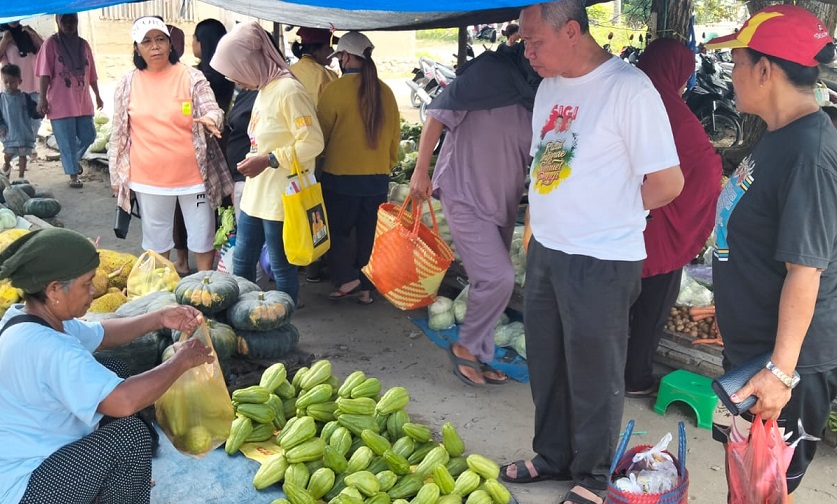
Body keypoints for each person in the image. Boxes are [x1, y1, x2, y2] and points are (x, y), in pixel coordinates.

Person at [501, 2, 683, 503]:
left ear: (573, 31)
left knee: (594, 372)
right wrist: (536, 234)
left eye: (535, 41)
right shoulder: (549, 88)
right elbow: (548, 167)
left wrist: (613, 213)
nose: (527, 51)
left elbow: (668, 182)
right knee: (548, 362)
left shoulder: (628, 89)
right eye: (525, 41)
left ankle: (595, 476)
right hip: (549, 250)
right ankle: (552, 456)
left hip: (602, 258)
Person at [705, 5, 837, 499]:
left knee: (763, 489)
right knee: (744, 481)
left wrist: (781, 373)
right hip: (757, 353)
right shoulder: (782, 137)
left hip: (785, 367)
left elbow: (806, 271)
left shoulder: (808, 153)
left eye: (736, 62)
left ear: (766, 69)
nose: (730, 73)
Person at [0, 228, 213, 504]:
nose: (92, 291)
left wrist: (160, 317)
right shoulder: (51, 349)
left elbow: (102, 334)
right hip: (24, 489)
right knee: (131, 439)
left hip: (32, 454)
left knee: (112, 366)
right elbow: (123, 402)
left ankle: (113, 482)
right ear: (54, 289)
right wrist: (180, 361)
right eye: (86, 283)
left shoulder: (25, 317)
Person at [409, 42, 541, 386]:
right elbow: (438, 113)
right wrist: (421, 170)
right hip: (463, 190)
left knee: (489, 280)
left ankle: (481, 352)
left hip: (502, 200)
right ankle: (466, 347)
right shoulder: (490, 73)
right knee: (499, 278)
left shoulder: (539, 89)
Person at [624, 38, 723, 397]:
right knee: (651, 309)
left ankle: (599, 373)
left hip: (615, 223)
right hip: (658, 228)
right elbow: (708, 168)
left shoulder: (623, 96)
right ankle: (634, 379)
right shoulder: (671, 110)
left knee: (613, 305)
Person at [210, 21, 324, 306]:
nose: (236, 82)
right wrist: (258, 157)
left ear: (252, 62)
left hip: (281, 197)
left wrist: (270, 159)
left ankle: (282, 318)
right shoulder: (264, 89)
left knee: (280, 264)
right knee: (243, 257)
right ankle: (245, 311)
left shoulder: (289, 91)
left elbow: (313, 142)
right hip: (256, 193)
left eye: (237, 73)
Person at [109, 16, 232, 272]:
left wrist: (211, 118)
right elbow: (119, 134)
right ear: (136, 48)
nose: (155, 47)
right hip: (148, 180)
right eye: (147, 41)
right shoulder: (127, 83)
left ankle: (204, 288)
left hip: (194, 178)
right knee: (156, 243)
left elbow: (211, 108)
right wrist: (117, 176)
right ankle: (161, 295)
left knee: (203, 237)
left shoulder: (191, 76)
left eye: (160, 40)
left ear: (170, 44)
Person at [317, 31, 400, 306]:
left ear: (346, 57)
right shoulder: (385, 91)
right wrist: (385, 166)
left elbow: (321, 137)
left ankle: (345, 278)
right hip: (377, 178)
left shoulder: (334, 90)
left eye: (340, 55)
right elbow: (394, 139)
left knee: (338, 232)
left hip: (340, 177)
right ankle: (366, 289)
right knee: (368, 236)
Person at [170, 17, 233, 276]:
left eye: (194, 39)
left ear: (201, 43)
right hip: (223, 143)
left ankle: (183, 261)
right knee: (216, 206)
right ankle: (217, 259)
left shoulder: (196, 79)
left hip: (194, 147)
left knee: (181, 207)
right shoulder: (229, 75)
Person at [35, 13, 103, 189]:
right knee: (67, 141)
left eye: (72, 20)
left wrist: (97, 94)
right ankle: (73, 175)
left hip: (82, 102)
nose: (69, 24)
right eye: (65, 20)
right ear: (58, 21)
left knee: (89, 135)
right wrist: (42, 98)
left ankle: (72, 160)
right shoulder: (51, 44)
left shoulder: (83, 45)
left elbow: (92, 74)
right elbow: (44, 73)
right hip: (60, 102)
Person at [0, 21, 44, 151]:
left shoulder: (26, 32)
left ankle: (29, 146)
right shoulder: (3, 34)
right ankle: (14, 151)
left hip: (34, 84)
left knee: (36, 118)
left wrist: (33, 34)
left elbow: (44, 50)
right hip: (13, 89)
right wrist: (5, 40)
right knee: (13, 121)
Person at [0, 64, 37, 178]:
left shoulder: (25, 97)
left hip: (23, 132)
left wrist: (41, 110)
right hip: (9, 133)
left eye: (12, 82)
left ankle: (21, 177)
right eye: (6, 82)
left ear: (19, 81)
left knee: (23, 154)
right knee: (8, 154)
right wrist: (1, 126)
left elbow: (34, 111)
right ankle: (7, 165)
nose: (9, 85)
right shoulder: (1, 98)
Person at [290, 27, 338, 107]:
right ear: (314, 51)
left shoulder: (289, 71)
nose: (333, 51)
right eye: (328, 48)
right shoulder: (327, 75)